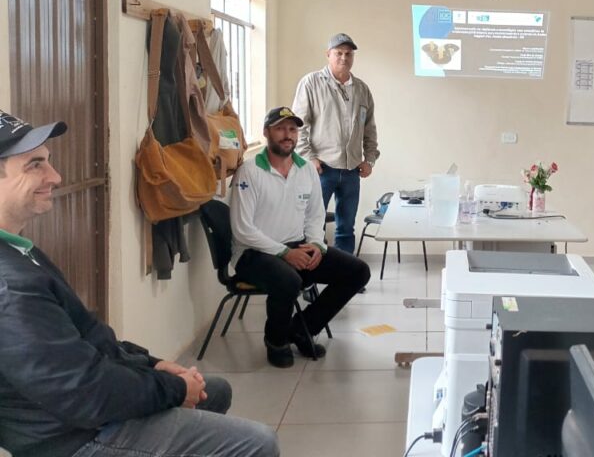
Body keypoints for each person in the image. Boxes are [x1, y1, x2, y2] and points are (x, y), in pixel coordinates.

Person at [0, 110, 278, 457]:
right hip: (72, 439)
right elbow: (84, 394)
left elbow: (90, 336)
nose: (55, 176)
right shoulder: (10, 285)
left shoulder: (19, 251)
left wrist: (151, 365)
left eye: (49, 162)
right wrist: (173, 389)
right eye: (34, 165)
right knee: (257, 443)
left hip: (83, 413)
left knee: (214, 390)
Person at [231, 107, 371, 368]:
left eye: (293, 129)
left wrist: (317, 244)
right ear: (266, 133)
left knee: (358, 271)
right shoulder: (249, 172)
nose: (287, 135)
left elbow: (316, 215)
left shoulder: (306, 169)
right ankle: (276, 341)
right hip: (253, 253)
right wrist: (285, 253)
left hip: (296, 245)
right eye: (280, 128)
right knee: (288, 280)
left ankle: (301, 328)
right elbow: (243, 229)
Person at [292, 33, 380, 253]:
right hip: (321, 169)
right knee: (313, 226)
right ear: (328, 55)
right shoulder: (311, 83)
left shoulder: (361, 89)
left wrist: (370, 159)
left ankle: (346, 278)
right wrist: (308, 158)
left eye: (348, 54)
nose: (344, 58)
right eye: (339, 53)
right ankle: (312, 276)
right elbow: (298, 125)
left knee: (346, 227)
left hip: (352, 170)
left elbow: (369, 128)